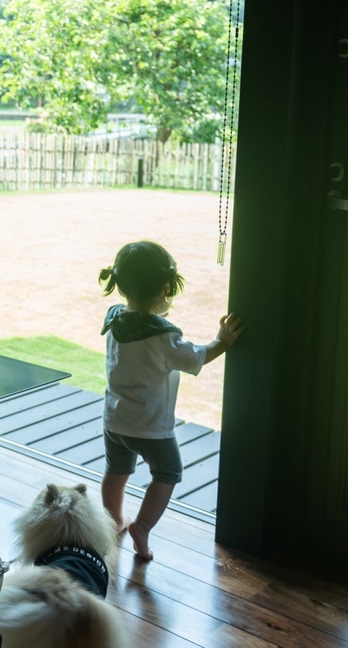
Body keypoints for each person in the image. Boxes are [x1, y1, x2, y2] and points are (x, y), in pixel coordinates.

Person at [97, 240, 243, 561]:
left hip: (114, 420)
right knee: (168, 472)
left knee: (117, 470)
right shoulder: (163, 336)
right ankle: (143, 526)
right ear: (166, 288)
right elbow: (195, 357)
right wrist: (222, 341)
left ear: (120, 286)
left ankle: (111, 522)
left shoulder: (114, 320)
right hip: (150, 427)